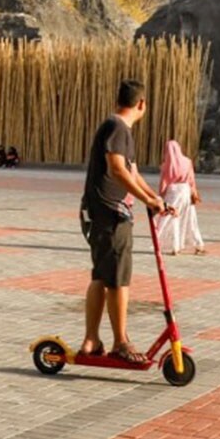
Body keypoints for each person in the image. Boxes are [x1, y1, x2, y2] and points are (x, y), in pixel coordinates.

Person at [79, 79, 166, 363]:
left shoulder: (118, 128)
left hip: (103, 212)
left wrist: (155, 198)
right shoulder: (117, 127)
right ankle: (120, 342)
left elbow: (133, 173)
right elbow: (117, 170)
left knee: (101, 275)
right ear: (141, 104)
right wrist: (146, 200)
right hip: (110, 213)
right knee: (118, 278)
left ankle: (91, 340)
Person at [155, 140, 206, 255]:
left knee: (172, 217)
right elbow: (191, 180)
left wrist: (160, 197)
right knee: (190, 218)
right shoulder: (187, 162)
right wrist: (193, 191)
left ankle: (175, 247)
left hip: (172, 192)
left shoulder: (166, 165)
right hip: (185, 190)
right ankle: (198, 244)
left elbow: (163, 183)